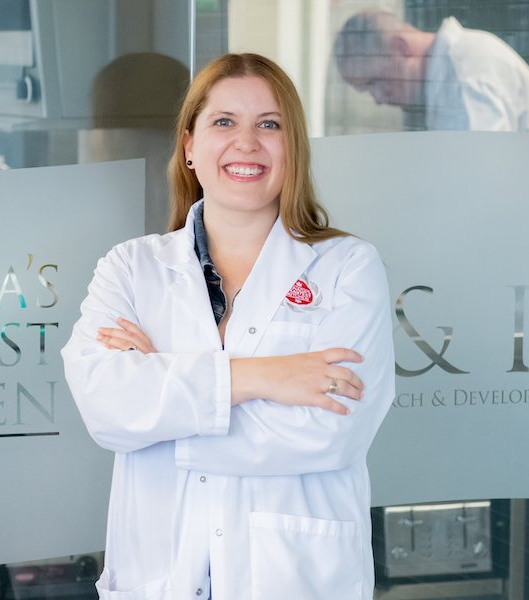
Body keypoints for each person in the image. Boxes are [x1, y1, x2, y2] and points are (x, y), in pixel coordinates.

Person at [61, 53, 395, 599]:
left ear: (294, 149)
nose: (247, 143)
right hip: (162, 573)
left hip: (294, 578)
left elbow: (331, 431)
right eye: (224, 123)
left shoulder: (347, 267)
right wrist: (264, 378)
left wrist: (161, 401)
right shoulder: (131, 268)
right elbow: (107, 408)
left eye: (270, 124)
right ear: (190, 146)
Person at [334, 10, 529, 133]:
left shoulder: (462, 77)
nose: (378, 99)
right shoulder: (454, 71)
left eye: (374, 82)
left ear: (400, 47)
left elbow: (476, 189)